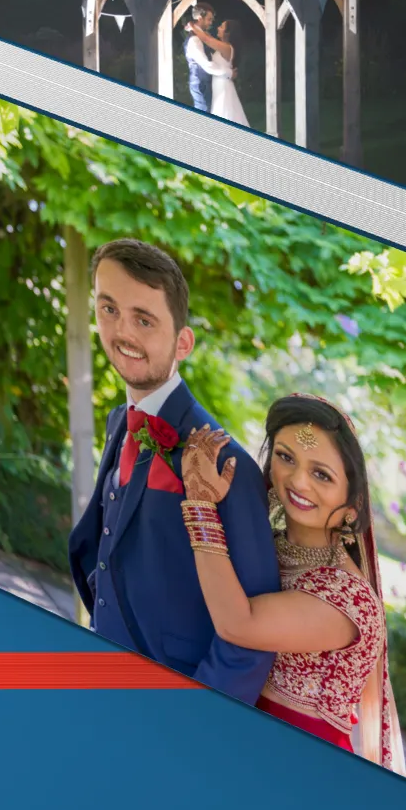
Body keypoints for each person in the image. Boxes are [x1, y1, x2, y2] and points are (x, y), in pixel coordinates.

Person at [68, 239, 280, 704]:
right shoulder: (119, 422)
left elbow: (251, 639)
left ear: (183, 342)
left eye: (144, 319)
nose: (122, 332)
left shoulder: (229, 465)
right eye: (108, 309)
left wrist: (193, 722)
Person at [178, 394, 406, 772]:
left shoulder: (349, 598)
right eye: (286, 457)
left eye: (322, 474)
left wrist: (201, 505)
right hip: (231, 743)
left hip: (297, 773)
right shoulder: (263, 547)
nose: (298, 481)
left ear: (352, 506)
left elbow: (239, 623)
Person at [207, 19, 250, 126]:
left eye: (221, 27)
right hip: (219, 85)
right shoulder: (222, 47)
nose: (218, 28)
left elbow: (207, 40)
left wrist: (193, 27)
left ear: (227, 33)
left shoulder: (226, 48)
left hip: (223, 87)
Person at [182, 4, 225, 114]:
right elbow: (206, 65)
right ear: (200, 18)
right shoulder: (194, 40)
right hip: (201, 84)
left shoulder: (201, 35)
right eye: (209, 19)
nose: (211, 23)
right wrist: (227, 73)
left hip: (204, 82)